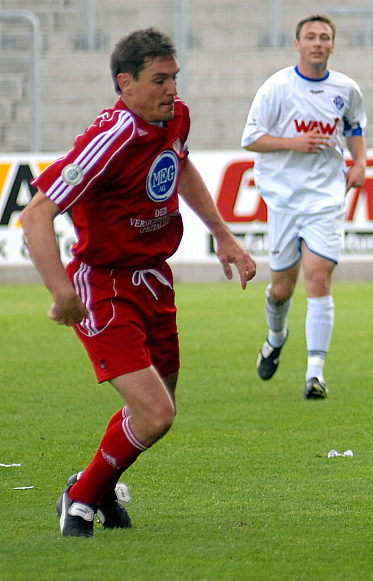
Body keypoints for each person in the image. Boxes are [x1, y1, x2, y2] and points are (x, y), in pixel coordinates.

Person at [20, 28, 256, 538]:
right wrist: (61, 292)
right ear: (124, 84)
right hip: (101, 285)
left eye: (174, 78)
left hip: (153, 280)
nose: (171, 90)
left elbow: (181, 165)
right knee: (155, 414)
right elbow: (36, 213)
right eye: (159, 80)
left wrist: (224, 235)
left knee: (159, 405)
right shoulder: (112, 137)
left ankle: (95, 486)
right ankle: (80, 501)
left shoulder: (175, 117)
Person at [242, 14, 367, 399]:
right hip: (283, 200)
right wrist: (293, 143)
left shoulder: (345, 88)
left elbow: (354, 126)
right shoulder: (276, 87)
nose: (317, 43)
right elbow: (251, 139)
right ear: (297, 44)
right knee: (281, 289)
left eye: (324, 37)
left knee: (318, 277)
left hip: (326, 198)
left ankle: (315, 373)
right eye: (310, 37)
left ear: (332, 45)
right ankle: (276, 337)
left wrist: (360, 161)